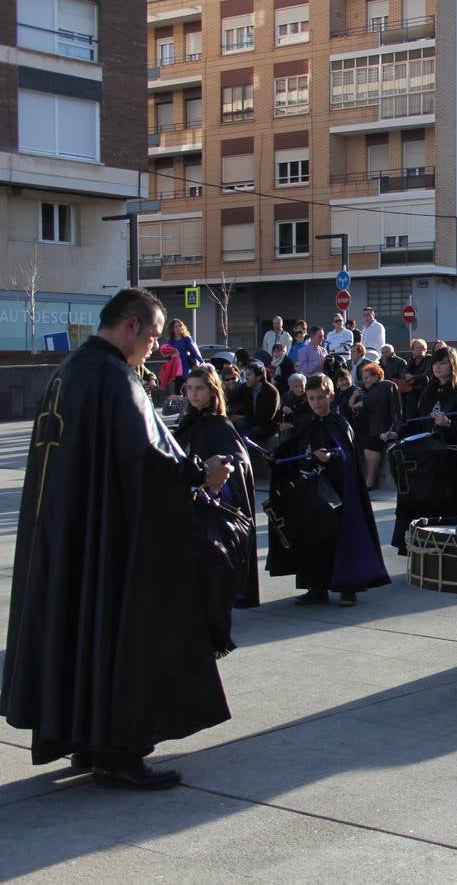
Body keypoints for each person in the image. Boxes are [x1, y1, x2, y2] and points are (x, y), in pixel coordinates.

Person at [2, 287, 233, 789]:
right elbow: (150, 460)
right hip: (111, 541)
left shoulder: (71, 372)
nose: (154, 347)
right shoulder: (113, 379)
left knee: (83, 632)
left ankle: (89, 741)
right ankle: (118, 751)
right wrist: (203, 474)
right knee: (121, 629)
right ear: (130, 326)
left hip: (70, 536)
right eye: (152, 336)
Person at [266, 373, 389, 608]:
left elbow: (346, 456)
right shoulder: (307, 423)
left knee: (341, 538)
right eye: (312, 398)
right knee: (314, 539)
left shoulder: (339, 424)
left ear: (331, 396)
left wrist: (331, 457)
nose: (316, 403)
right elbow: (293, 450)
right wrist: (277, 456)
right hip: (313, 495)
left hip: (339, 495)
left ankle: (348, 588)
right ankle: (316, 586)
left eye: (321, 398)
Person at [177, 363, 259, 611]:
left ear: (212, 391)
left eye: (199, 389)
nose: (193, 394)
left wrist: (216, 477)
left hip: (213, 504)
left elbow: (238, 461)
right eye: (189, 389)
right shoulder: (187, 422)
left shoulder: (220, 425)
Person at [384, 346, 457, 554]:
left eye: (442, 362)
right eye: (435, 363)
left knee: (442, 508)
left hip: (448, 461)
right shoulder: (427, 393)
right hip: (425, 460)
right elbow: (416, 423)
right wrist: (396, 433)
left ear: (452, 365)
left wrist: (448, 424)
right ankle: (416, 546)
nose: (437, 367)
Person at [348, 362, 401, 489]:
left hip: (383, 428)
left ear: (376, 376)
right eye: (363, 378)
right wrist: (357, 400)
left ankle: (370, 479)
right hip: (368, 428)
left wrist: (394, 430)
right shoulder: (364, 391)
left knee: (371, 445)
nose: (364, 380)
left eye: (367, 378)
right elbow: (352, 407)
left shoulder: (387, 385)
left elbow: (395, 410)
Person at [230, 360, 280, 442]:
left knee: (253, 431)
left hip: (266, 425)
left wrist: (243, 417)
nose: (246, 377)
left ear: (259, 377)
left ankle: (247, 450)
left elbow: (264, 418)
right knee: (238, 424)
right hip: (250, 420)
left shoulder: (271, 392)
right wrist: (227, 387)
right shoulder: (246, 387)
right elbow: (232, 399)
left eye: (249, 375)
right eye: (246, 374)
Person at [400, 338, 433, 419]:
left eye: (422, 347)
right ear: (412, 349)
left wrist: (413, 377)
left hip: (423, 390)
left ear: (425, 349)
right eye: (417, 348)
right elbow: (403, 373)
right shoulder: (411, 360)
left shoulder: (429, 359)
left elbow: (427, 374)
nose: (419, 350)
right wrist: (406, 375)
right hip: (410, 390)